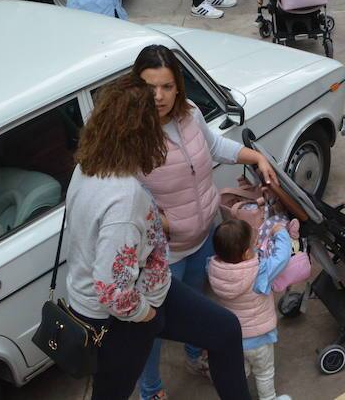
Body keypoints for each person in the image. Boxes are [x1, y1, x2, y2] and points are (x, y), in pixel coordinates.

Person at [63, 75, 251, 400]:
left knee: (224, 331)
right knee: (110, 394)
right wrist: (146, 315)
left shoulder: (89, 166)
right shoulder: (123, 198)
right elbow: (111, 291)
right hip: (119, 320)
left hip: (153, 289)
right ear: (138, 135)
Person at [129, 46, 276, 400]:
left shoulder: (190, 114)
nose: (159, 96)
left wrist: (255, 156)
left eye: (166, 86)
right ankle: (151, 390)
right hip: (166, 255)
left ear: (178, 86)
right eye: (150, 87)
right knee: (152, 327)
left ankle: (195, 356)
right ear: (137, 88)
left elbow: (215, 148)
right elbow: (125, 192)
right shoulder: (133, 134)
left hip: (204, 237)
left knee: (197, 307)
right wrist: (157, 218)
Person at [208, 219, 295, 400]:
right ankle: (269, 398)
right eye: (252, 244)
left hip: (233, 337)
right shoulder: (260, 273)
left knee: (240, 369)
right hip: (259, 338)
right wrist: (280, 233)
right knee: (264, 372)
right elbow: (283, 257)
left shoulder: (212, 268)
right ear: (247, 253)